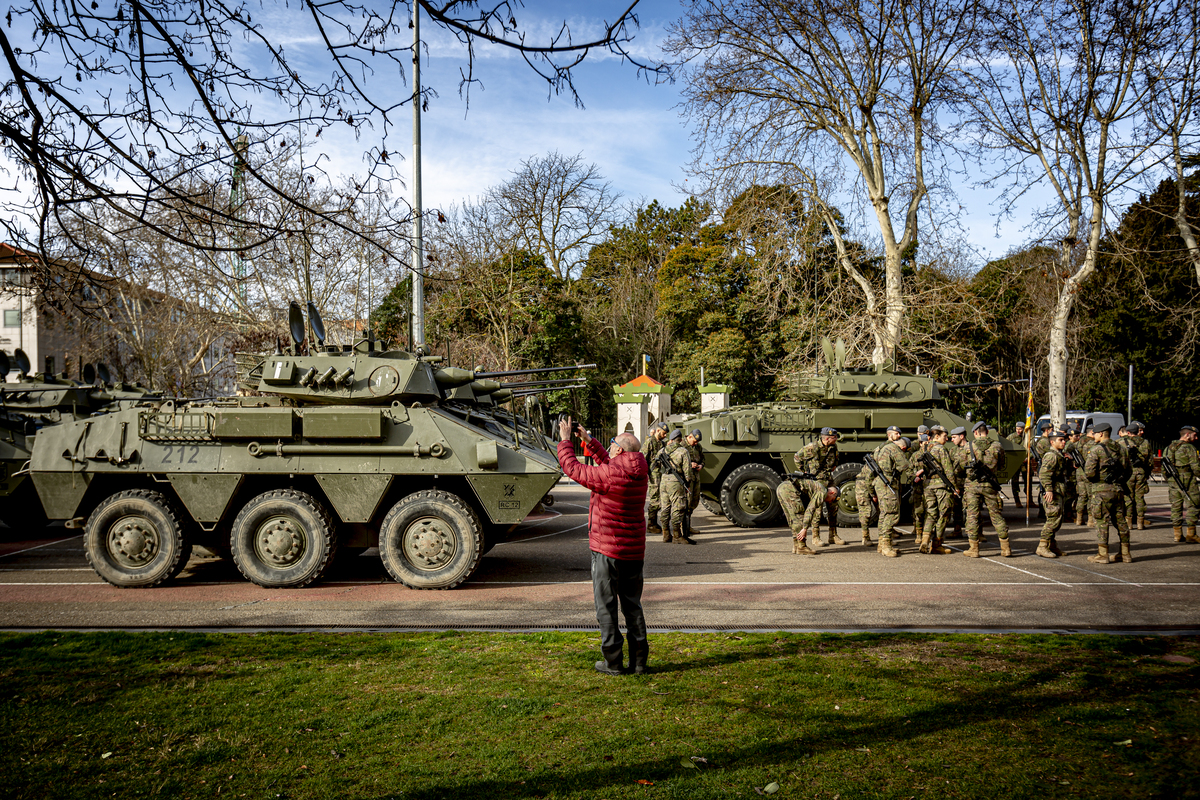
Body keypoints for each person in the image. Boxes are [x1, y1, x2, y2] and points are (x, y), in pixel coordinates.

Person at [556, 417, 650, 675]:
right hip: (633, 552)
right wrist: (589, 441)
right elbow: (611, 465)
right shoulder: (640, 471)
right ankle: (640, 662)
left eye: (611, 445)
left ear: (619, 450)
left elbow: (573, 468)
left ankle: (613, 661)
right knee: (633, 606)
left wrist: (566, 441)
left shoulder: (610, 475)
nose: (609, 449)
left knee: (606, 608)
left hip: (607, 551)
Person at [1084, 422, 1132, 564]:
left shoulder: (1096, 450)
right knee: (1120, 521)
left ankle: (1103, 554)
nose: (1093, 436)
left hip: (1101, 491)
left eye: (1095, 434)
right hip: (1118, 490)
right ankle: (1125, 554)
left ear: (1100, 434)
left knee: (1101, 522)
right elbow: (1129, 471)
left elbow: (1089, 473)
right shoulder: (1122, 449)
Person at [963, 422, 1013, 558]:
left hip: (973, 486)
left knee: (972, 515)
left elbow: (962, 464)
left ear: (975, 432)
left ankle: (974, 549)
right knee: (996, 515)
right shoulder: (998, 446)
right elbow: (1002, 466)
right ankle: (1006, 548)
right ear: (986, 431)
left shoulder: (969, 446)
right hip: (990, 485)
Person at [797, 427, 841, 546]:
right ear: (827, 438)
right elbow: (797, 457)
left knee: (833, 506)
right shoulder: (812, 447)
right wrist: (804, 472)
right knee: (817, 508)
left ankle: (833, 535)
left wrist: (834, 466)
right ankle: (815, 537)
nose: (836, 439)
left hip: (828, 479)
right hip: (817, 481)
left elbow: (835, 460)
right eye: (834, 437)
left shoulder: (833, 447)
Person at [872, 435, 911, 558]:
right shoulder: (894, 449)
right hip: (888, 483)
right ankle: (886, 546)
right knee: (891, 514)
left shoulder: (881, 448)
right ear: (903, 447)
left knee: (884, 514)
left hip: (879, 482)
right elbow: (904, 465)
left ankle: (881, 544)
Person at [919, 426, 956, 555]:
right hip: (941, 486)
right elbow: (948, 469)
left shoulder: (925, 448)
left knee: (930, 514)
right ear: (937, 436)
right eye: (944, 436)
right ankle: (936, 544)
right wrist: (954, 486)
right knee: (943, 515)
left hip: (928, 486)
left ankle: (925, 540)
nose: (947, 439)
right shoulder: (941, 449)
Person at [777, 477, 838, 555]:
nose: (829, 502)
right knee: (799, 516)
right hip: (790, 489)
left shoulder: (819, 487)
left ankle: (796, 545)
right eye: (832, 499)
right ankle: (802, 547)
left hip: (781, 487)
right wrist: (805, 528)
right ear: (832, 493)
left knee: (792, 518)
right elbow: (810, 509)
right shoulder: (823, 492)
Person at [657, 428, 696, 545]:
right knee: (678, 508)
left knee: (665, 507)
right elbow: (687, 471)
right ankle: (677, 535)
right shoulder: (683, 451)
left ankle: (666, 534)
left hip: (663, 481)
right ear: (680, 439)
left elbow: (656, 465)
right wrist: (688, 482)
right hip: (675, 482)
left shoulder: (662, 451)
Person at [1036, 429, 1070, 558]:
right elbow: (1044, 474)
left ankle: (1052, 545)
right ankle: (1042, 546)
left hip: (1058, 491)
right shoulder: (1051, 455)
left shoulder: (1059, 455)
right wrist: (1049, 489)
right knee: (1053, 520)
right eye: (1060, 440)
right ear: (1052, 442)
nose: (1063, 442)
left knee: (1057, 519)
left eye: (1064, 440)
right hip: (1053, 492)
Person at [1165, 424, 1200, 543]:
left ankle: (1177, 534)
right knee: (1193, 504)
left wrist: (1169, 479)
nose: (1196, 438)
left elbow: (1164, 469)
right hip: (1188, 480)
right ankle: (1191, 534)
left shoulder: (1168, 448)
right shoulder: (1189, 448)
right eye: (1194, 435)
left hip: (1173, 481)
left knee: (1175, 507)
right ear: (1187, 435)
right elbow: (1196, 468)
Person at [1122, 421, 1151, 530]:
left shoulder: (1123, 442)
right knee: (1140, 498)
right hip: (1141, 472)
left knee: (1128, 497)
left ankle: (1129, 522)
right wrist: (1147, 473)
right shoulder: (1145, 443)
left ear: (1128, 432)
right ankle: (1140, 522)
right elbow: (1150, 462)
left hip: (1128, 473)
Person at [641, 423, 668, 536]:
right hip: (653, 475)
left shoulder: (662, 443)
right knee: (654, 499)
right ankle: (651, 524)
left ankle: (654, 523)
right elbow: (643, 458)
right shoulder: (649, 442)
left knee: (659, 498)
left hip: (660, 474)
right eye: (663, 433)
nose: (665, 435)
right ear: (657, 431)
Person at [685, 429, 705, 539]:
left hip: (695, 478)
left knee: (694, 501)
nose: (696, 443)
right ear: (690, 437)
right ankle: (683, 527)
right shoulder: (681, 445)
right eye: (695, 441)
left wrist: (701, 465)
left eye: (698, 441)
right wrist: (689, 464)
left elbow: (703, 459)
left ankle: (688, 526)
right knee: (685, 502)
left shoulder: (698, 447)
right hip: (686, 478)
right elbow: (675, 461)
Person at [1008, 422, 1027, 501]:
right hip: (1015, 463)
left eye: (1020, 429)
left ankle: (1030, 499)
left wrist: (1028, 457)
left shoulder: (1027, 437)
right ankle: (1017, 500)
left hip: (1025, 463)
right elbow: (1006, 448)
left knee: (1028, 481)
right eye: (1017, 429)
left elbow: (1032, 449)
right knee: (1015, 482)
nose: (1018, 431)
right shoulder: (1011, 437)